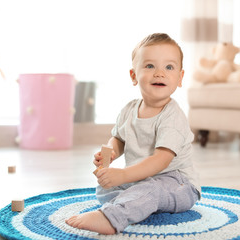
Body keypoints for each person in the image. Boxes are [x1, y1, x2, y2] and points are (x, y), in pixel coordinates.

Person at [66, 33, 201, 235]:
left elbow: (160, 161)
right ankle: (137, 204)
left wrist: (123, 175)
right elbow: (119, 138)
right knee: (105, 187)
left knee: (151, 189)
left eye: (169, 67)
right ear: (133, 75)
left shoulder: (173, 117)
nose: (159, 73)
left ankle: (112, 219)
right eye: (150, 66)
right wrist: (111, 152)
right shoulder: (129, 110)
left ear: (180, 78)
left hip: (177, 183)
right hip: (143, 178)